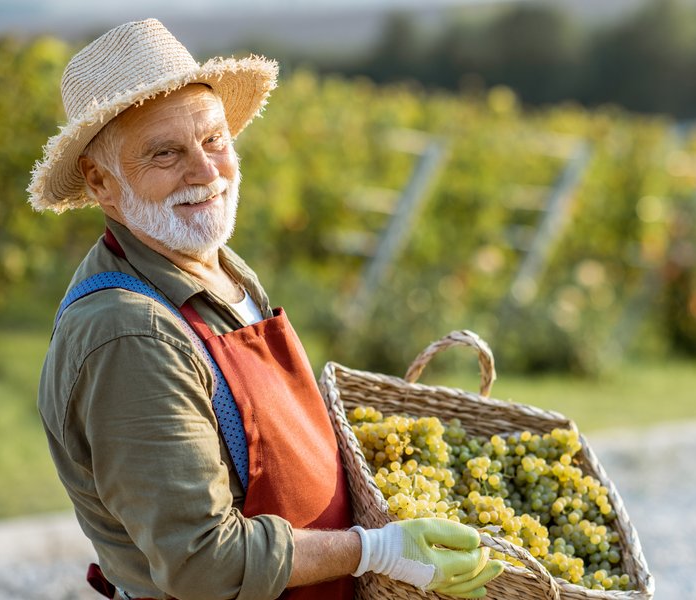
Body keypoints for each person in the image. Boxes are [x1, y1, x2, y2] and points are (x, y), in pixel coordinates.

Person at [30, 19, 503, 600]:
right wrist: (377, 549)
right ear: (102, 183)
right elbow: (201, 561)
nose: (206, 172)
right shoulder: (130, 334)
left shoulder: (215, 265)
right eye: (164, 153)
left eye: (213, 140)